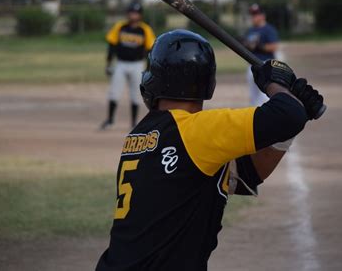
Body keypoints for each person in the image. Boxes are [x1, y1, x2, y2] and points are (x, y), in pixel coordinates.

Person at [95, 30, 324, 271]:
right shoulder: (196, 132)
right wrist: (275, 84)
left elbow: (248, 172)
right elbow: (287, 115)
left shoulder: (143, 133)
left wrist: (292, 111)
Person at [100, 3, 156, 130]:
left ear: (140, 15)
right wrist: (108, 63)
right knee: (114, 92)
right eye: (131, 12)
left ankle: (134, 123)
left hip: (137, 64)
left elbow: (150, 50)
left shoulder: (145, 29)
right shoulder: (120, 27)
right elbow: (112, 45)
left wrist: (148, 68)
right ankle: (110, 120)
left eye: (135, 13)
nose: (133, 15)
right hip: (121, 64)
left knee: (136, 93)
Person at [243, 3, 280, 106]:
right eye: (252, 14)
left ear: (263, 15)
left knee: (264, 94)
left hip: (265, 64)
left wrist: (260, 46)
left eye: (256, 14)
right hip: (251, 66)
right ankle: (255, 117)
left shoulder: (268, 29)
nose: (253, 17)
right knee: (253, 96)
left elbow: (274, 46)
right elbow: (248, 46)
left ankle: (268, 116)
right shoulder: (251, 30)